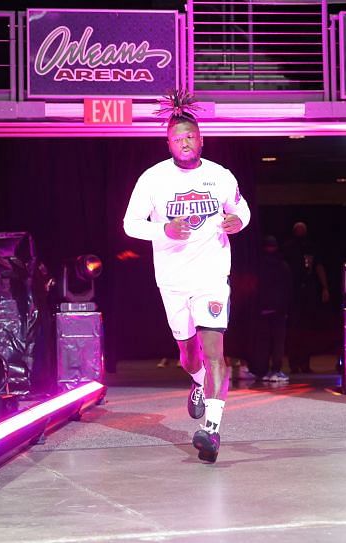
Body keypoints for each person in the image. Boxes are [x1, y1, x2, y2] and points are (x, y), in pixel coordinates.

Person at [123, 92, 250, 463]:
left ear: (201, 139)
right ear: (168, 143)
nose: (184, 142)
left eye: (190, 136)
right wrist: (164, 229)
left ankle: (211, 430)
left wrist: (238, 221)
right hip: (173, 281)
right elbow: (130, 225)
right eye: (177, 138)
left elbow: (241, 209)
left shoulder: (220, 176)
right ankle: (197, 384)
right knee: (187, 355)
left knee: (215, 353)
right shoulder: (153, 179)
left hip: (212, 276)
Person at [283, 221, 329, 373]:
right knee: (294, 330)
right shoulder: (288, 247)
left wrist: (325, 288)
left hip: (308, 292)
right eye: (298, 229)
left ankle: (305, 363)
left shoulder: (311, 246)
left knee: (307, 329)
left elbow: (318, 266)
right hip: (292, 292)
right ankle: (294, 363)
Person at [251, 235, 292, 383]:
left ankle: (263, 371)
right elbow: (287, 289)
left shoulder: (258, 265)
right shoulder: (282, 265)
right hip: (278, 310)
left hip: (262, 309)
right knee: (278, 342)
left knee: (263, 342)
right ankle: (275, 371)